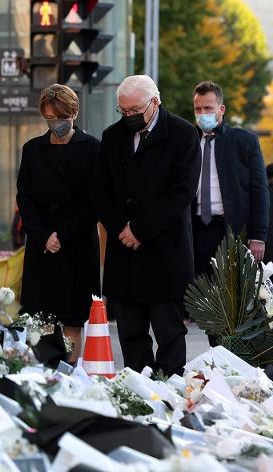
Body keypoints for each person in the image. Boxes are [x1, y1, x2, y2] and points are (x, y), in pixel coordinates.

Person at [91, 75, 200, 376]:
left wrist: (139, 229)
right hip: (123, 252)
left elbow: (181, 192)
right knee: (130, 333)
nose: (129, 117)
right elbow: (99, 191)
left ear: (155, 102)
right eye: (123, 111)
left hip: (165, 250)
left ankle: (170, 393)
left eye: (134, 111)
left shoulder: (183, 134)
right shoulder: (113, 137)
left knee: (169, 332)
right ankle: (138, 390)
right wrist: (120, 228)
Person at [16, 83, 100, 362]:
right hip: (42, 246)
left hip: (76, 245)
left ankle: (70, 370)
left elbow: (92, 201)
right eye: (50, 118)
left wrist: (62, 236)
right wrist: (42, 236)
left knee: (73, 317)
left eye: (61, 118)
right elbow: (25, 198)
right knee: (40, 317)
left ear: (74, 114)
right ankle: (42, 371)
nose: (56, 124)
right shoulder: (32, 150)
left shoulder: (92, 149)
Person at [191, 81, 269, 276]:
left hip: (231, 231)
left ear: (221, 109)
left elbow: (259, 189)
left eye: (208, 108)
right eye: (198, 108)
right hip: (193, 230)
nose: (202, 113)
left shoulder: (244, 142)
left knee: (230, 298)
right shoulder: (187, 141)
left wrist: (258, 236)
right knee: (195, 296)